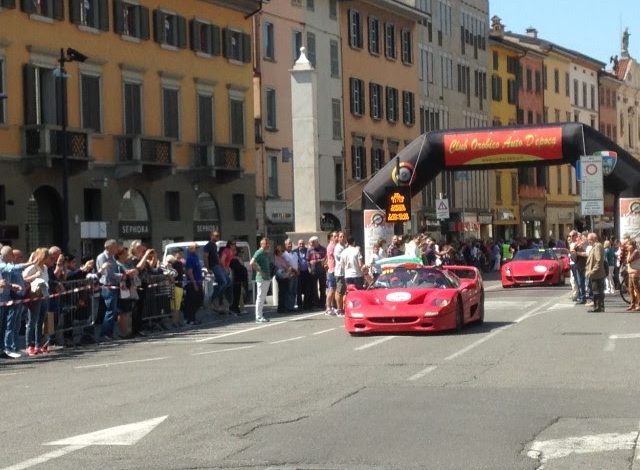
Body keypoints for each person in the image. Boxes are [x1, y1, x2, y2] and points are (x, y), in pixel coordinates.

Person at [22, 247, 51, 355]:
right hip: (34, 296)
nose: (49, 259)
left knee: (42, 320)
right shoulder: (33, 267)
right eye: (48, 257)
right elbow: (23, 278)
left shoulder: (45, 267)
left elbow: (46, 280)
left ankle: (39, 344)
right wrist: (34, 276)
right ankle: (29, 345)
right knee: (32, 321)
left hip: (44, 295)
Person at [95, 239, 122, 341]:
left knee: (112, 311)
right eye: (115, 246)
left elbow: (115, 271)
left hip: (114, 286)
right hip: (107, 287)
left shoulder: (112, 258)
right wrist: (122, 276)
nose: (117, 248)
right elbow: (108, 274)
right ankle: (105, 334)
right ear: (109, 247)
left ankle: (110, 333)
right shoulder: (102, 258)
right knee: (110, 311)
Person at [203, 230, 231, 311]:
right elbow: (205, 257)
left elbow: (216, 257)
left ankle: (219, 297)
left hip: (218, 266)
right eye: (215, 235)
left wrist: (222, 266)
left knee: (228, 281)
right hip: (214, 266)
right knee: (224, 282)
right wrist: (207, 268)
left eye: (218, 236)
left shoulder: (215, 245)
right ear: (211, 236)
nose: (217, 237)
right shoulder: (208, 245)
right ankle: (213, 298)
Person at [251, 238, 272, 323]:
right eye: (266, 243)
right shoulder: (259, 252)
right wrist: (260, 271)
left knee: (262, 298)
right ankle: (258, 316)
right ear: (261, 244)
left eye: (268, 243)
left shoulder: (265, 253)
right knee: (260, 297)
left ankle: (260, 315)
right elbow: (252, 262)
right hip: (261, 278)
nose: (268, 245)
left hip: (266, 278)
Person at [585, 233, 606, 313]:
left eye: (589, 239)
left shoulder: (597, 246)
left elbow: (599, 260)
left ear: (594, 239)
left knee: (597, 291)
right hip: (596, 273)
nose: (588, 241)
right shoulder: (595, 246)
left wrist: (592, 271)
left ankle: (598, 307)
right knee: (596, 290)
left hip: (597, 273)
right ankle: (598, 306)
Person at [183, 243, 203, 325]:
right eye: (195, 248)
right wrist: (194, 284)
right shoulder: (189, 258)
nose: (197, 249)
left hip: (199, 281)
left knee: (199, 300)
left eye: (197, 248)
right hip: (193, 283)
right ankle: (190, 319)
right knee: (192, 302)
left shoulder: (196, 257)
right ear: (191, 249)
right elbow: (190, 272)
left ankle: (192, 318)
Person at [307, 236, 327, 308]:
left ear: (317, 242)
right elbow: (307, 260)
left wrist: (316, 261)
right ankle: (316, 303)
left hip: (322, 271)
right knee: (314, 288)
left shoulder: (323, 249)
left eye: (313, 242)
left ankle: (323, 303)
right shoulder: (309, 250)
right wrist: (309, 268)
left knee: (322, 288)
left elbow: (325, 259)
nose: (311, 244)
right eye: (311, 242)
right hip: (313, 271)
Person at [273, 244, 292, 314]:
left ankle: (285, 307)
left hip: (286, 275)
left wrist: (289, 269)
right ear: (277, 252)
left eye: (282, 251)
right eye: (279, 251)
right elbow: (281, 266)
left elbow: (287, 265)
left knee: (285, 292)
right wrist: (288, 269)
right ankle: (281, 308)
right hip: (281, 276)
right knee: (282, 292)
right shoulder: (276, 258)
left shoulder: (283, 257)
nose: (281, 252)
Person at [282, 239, 299, 312]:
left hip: (296, 275)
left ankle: (292, 306)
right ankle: (288, 307)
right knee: (289, 291)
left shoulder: (295, 254)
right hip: (289, 275)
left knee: (294, 291)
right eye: (288, 244)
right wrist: (293, 271)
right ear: (285, 245)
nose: (290, 245)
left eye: (291, 243)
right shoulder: (284, 255)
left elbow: (297, 264)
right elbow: (285, 266)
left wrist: (298, 270)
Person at [294, 239, 311, 310]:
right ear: (298, 244)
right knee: (299, 289)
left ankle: (306, 304)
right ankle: (299, 305)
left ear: (305, 244)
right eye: (300, 244)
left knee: (307, 289)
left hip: (307, 272)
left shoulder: (308, 250)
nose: (301, 245)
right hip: (299, 273)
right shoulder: (295, 252)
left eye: (302, 244)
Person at [626, 239, 640, 311]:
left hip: (635, 272)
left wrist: (629, 252)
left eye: (629, 245)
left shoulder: (636, 252)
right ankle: (632, 304)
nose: (627, 246)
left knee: (636, 288)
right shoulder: (630, 252)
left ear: (633, 245)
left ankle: (639, 304)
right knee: (630, 289)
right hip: (630, 272)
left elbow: (629, 260)